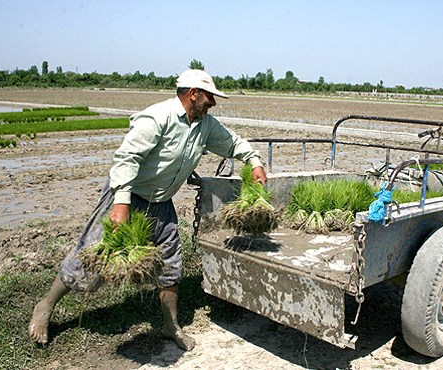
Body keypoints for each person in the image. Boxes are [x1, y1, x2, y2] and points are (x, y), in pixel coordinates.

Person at [28, 69, 267, 351]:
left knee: (170, 265)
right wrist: (121, 203)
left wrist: (255, 161)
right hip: (128, 195)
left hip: (161, 203)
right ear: (194, 94)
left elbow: (233, 143)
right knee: (92, 256)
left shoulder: (205, 125)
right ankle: (45, 305)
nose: (213, 103)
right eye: (210, 97)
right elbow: (127, 157)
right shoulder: (157, 117)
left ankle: (170, 325)